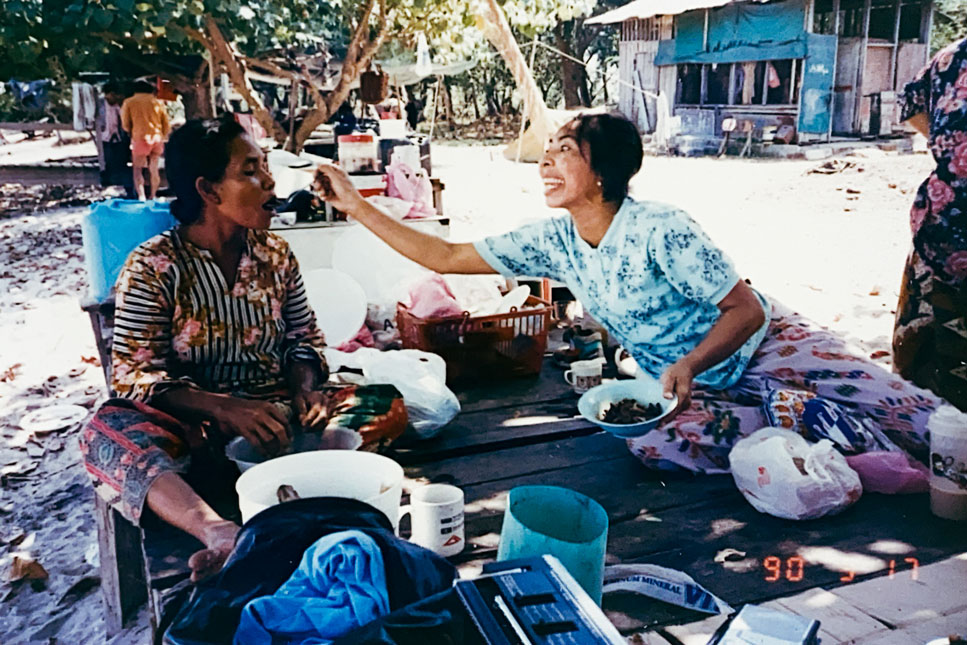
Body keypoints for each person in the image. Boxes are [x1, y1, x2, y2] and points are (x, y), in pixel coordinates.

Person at [316, 112, 940, 473]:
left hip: (762, 345)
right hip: (682, 387)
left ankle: (808, 414)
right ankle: (795, 421)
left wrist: (691, 363)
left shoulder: (659, 228)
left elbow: (744, 309)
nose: (547, 162)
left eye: (566, 151)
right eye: (548, 151)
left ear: (604, 172)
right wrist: (355, 204)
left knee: (908, 413)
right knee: (654, 442)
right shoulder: (554, 240)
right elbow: (444, 254)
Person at [79, 117, 407, 581]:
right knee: (107, 432)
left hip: (277, 419)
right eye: (251, 170)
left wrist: (306, 388)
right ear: (208, 190)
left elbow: (304, 339)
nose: (270, 181)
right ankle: (217, 531)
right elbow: (135, 377)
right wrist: (224, 408)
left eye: (266, 167)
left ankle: (315, 489)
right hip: (195, 432)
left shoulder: (275, 254)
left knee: (383, 399)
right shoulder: (153, 266)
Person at [893, 38, 967, 412]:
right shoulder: (954, 58)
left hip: (946, 227)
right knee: (938, 361)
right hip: (945, 237)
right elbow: (910, 102)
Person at [121, 79, 171, 200]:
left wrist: (130, 131)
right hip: (157, 138)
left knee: (137, 169)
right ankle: (153, 195)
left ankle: (142, 196)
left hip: (139, 137)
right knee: (154, 169)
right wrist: (163, 135)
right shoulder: (158, 102)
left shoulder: (129, 102)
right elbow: (166, 123)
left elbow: (125, 124)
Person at [95, 81, 133, 196]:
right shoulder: (100, 104)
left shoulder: (121, 104)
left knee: (123, 163)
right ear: (108, 94)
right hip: (105, 138)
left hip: (120, 138)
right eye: (113, 95)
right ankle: (108, 184)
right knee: (108, 162)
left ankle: (128, 190)